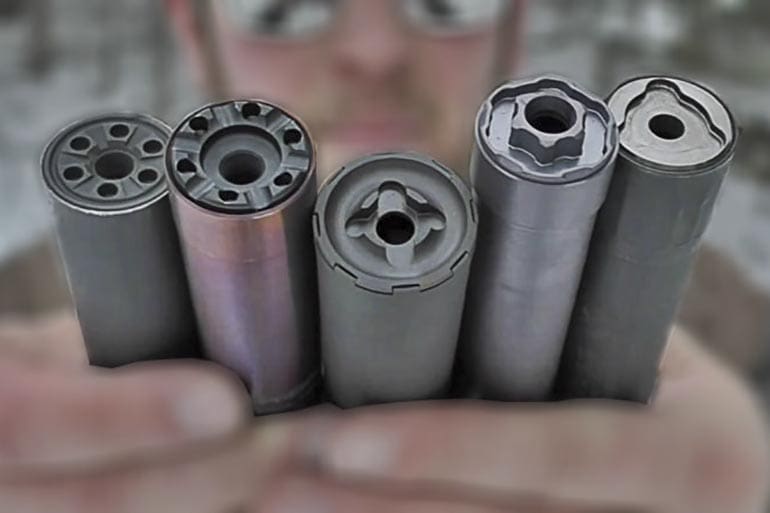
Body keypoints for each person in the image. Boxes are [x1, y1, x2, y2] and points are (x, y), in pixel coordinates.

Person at [0, 1, 767, 512]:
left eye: (447, 2)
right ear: (193, 31)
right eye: (283, 6)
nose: (375, 51)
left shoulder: (735, 325)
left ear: (516, 24)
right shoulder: (25, 324)